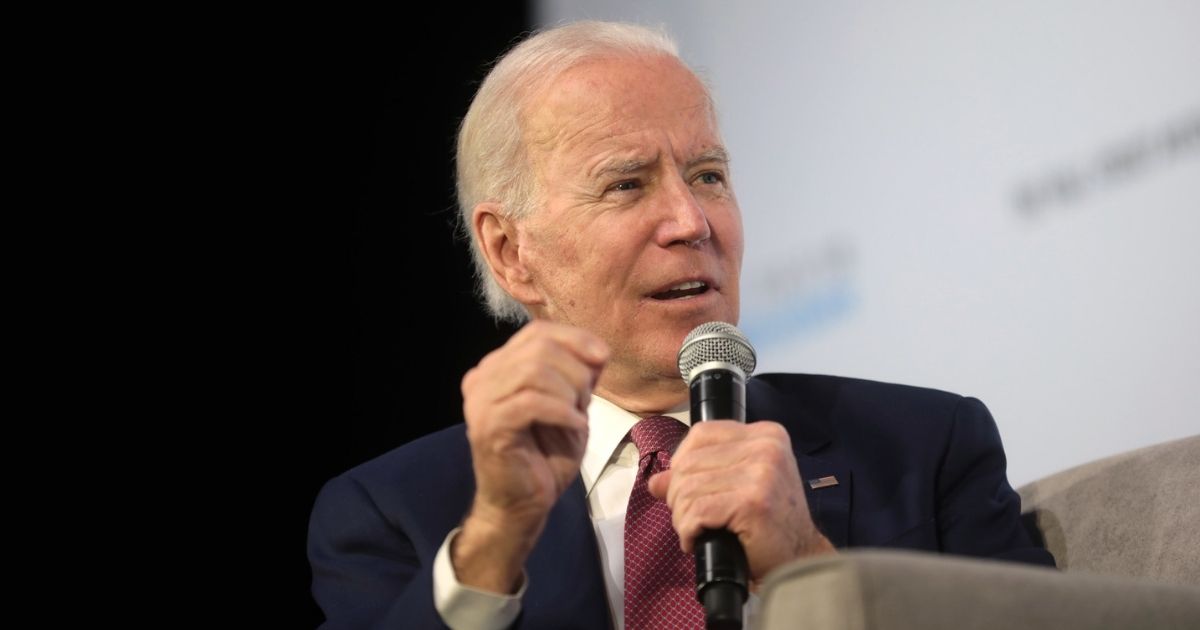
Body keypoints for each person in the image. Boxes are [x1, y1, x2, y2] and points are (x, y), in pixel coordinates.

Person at [308, 20, 1054, 630]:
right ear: (512, 253)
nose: (691, 221)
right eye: (627, 185)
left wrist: (807, 566)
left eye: (707, 176)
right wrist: (495, 538)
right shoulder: (394, 513)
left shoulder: (924, 446)